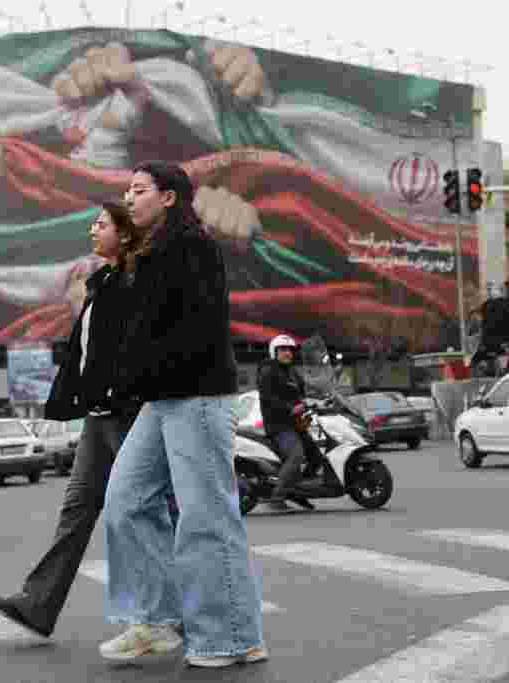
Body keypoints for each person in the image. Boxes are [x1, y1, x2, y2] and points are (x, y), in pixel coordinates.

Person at [99, 161, 267, 668]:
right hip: (162, 398)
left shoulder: (191, 247)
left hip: (195, 395)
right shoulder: (147, 253)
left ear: (169, 197)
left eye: (139, 190)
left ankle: (231, 637)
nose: (128, 199)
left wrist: (136, 373)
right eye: (126, 191)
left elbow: (195, 332)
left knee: (205, 516)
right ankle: (155, 619)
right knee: (125, 501)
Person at [0, 200, 157, 638]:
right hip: (98, 421)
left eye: (100, 224)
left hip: (126, 416)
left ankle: (179, 609)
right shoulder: (101, 282)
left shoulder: (137, 281)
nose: (92, 231)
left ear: (123, 233)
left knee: (144, 513)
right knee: (77, 509)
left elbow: (134, 349)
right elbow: (88, 351)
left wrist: (120, 392)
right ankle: (38, 605)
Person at [257, 334, 340, 511]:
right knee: (296, 456)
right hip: (279, 425)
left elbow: (306, 390)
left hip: (297, 423)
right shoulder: (268, 371)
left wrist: (325, 397)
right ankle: (276, 497)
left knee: (317, 457)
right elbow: (268, 397)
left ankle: (297, 491)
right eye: (283, 350)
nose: (288, 353)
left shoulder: (292, 372)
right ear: (274, 352)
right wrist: (289, 408)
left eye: (290, 350)